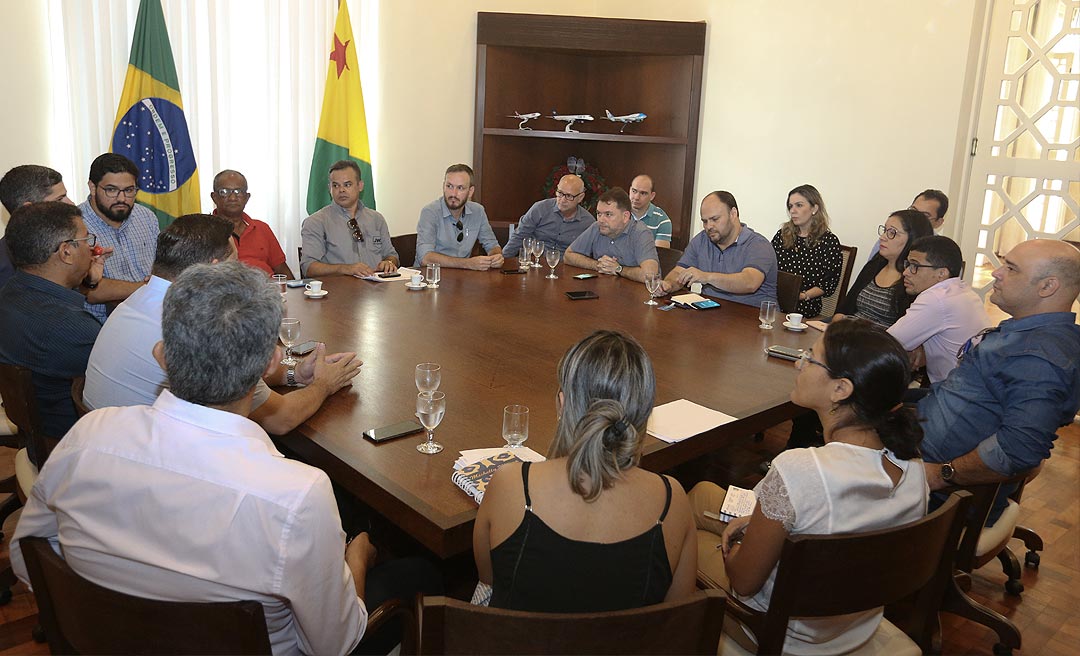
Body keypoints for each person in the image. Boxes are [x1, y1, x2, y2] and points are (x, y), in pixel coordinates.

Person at [11, 262, 432, 655]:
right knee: (422, 573)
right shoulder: (297, 495)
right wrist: (357, 555)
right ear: (269, 364)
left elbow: (26, 557)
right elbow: (336, 645)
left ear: (161, 355)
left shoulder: (87, 437)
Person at [689, 319, 928, 654]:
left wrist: (740, 544)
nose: (799, 363)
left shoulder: (802, 470)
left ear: (840, 389)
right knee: (702, 493)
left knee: (679, 532)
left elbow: (743, 583)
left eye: (811, 358)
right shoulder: (913, 465)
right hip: (855, 625)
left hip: (778, 632)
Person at [473, 330, 697, 612]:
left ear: (562, 404)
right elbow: (676, 617)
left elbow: (489, 579)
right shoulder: (672, 502)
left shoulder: (512, 485)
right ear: (644, 413)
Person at [83, 214, 362, 436]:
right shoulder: (196, 324)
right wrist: (324, 384)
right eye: (236, 264)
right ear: (213, 269)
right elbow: (282, 419)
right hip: (169, 466)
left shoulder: (140, 298)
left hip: (112, 443)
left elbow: (230, 377)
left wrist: (296, 373)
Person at [919, 239, 1080, 523]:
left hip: (941, 501)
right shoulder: (1028, 334)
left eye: (1011, 268)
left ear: (1047, 287)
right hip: (920, 459)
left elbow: (1018, 448)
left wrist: (942, 474)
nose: (996, 272)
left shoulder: (1039, 356)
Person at [0, 202, 105, 452]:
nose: (92, 249)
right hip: (73, 448)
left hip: (38, 438)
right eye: (87, 240)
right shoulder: (73, 328)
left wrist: (86, 283)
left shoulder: (10, 293)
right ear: (66, 252)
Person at [887, 236, 990, 384]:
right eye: (907, 264)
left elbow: (887, 343)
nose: (906, 272)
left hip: (954, 392)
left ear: (941, 273)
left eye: (915, 266)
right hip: (975, 385)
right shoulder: (965, 292)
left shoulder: (936, 298)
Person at [658, 191, 777, 307]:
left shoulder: (758, 244)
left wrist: (706, 277)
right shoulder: (701, 240)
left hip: (753, 316)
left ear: (733, 214)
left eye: (715, 219)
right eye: (705, 221)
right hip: (711, 312)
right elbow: (679, 272)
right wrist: (669, 285)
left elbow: (750, 282)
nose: (709, 226)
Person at [78, 153, 160, 323]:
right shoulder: (76, 226)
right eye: (111, 190)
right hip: (99, 325)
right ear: (93, 187)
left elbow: (160, 270)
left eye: (129, 190)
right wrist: (148, 288)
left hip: (151, 316)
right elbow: (89, 291)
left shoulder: (146, 217)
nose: (122, 198)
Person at [821, 209, 933, 329]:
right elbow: (845, 307)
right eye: (885, 231)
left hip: (878, 338)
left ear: (913, 239)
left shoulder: (913, 279)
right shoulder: (875, 264)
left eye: (892, 233)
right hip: (849, 331)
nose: (883, 237)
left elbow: (904, 331)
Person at [301, 160, 399, 278]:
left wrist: (388, 263)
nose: (341, 190)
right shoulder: (316, 222)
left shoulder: (376, 219)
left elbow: (392, 255)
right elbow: (308, 267)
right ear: (329, 188)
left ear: (360, 186)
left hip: (376, 286)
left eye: (347, 185)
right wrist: (345, 269)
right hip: (339, 288)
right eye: (335, 185)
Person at [770, 184, 842, 318]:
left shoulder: (829, 242)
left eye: (799, 205)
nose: (793, 211)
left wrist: (803, 296)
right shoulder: (782, 235)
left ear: (814, 208)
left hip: (805, 306)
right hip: (775, 300)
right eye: (790, 206)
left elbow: (828, 284)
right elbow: (768, 265)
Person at [415, 164, 504, 269]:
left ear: (470, 191)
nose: (453, 193)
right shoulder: (430, 212)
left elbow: (492, 245)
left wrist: (496, 257)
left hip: (462, 276)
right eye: (449, 186)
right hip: (431, 276)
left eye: (460, 188)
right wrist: (467, 263)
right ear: (443, 186)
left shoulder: (478, 211)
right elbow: (425, 257)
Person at [0, 165, 75, 288]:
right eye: (59, 199)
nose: (71, 204)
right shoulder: (6, 269)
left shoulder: (61, 245)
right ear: (28, 209)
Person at [210, 169, 295, 278]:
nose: (232, 198)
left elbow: (282, 271)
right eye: (224, 192)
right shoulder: (205, 231)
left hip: (267, 287)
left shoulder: (262, 228)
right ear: (214, 197)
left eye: (238, 192)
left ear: (247, 197)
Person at [563, 187, 659, 283]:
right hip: (604, 287)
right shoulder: (597, 227)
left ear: (625, 216)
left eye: (608, 214)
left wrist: (619, 269)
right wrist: (598, 265)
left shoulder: (641, 233)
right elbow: (568, 255)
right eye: (599, 214)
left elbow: (650, 275)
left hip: (636, 291)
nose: (601, 220)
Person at [503, 174, 594, 258]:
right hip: (535, 263)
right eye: (560, 193)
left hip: (566, 267)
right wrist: (503, 260)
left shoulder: (588, 223)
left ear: (580, 197)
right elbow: (519, 236)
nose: (562, 200)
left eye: (569, 196)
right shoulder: (540, 208)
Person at [868, 189, 949, 259]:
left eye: (924, 215)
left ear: (938, 223)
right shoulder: (889, 237)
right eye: (913, 210)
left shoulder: (942, 251)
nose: (914, 218)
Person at [629, 174, 672, 248]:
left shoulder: (662, 221)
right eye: (634, 191)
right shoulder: (618, 213)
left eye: (643, 193)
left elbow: (660, 253)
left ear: (652, 196)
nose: (636, 197)